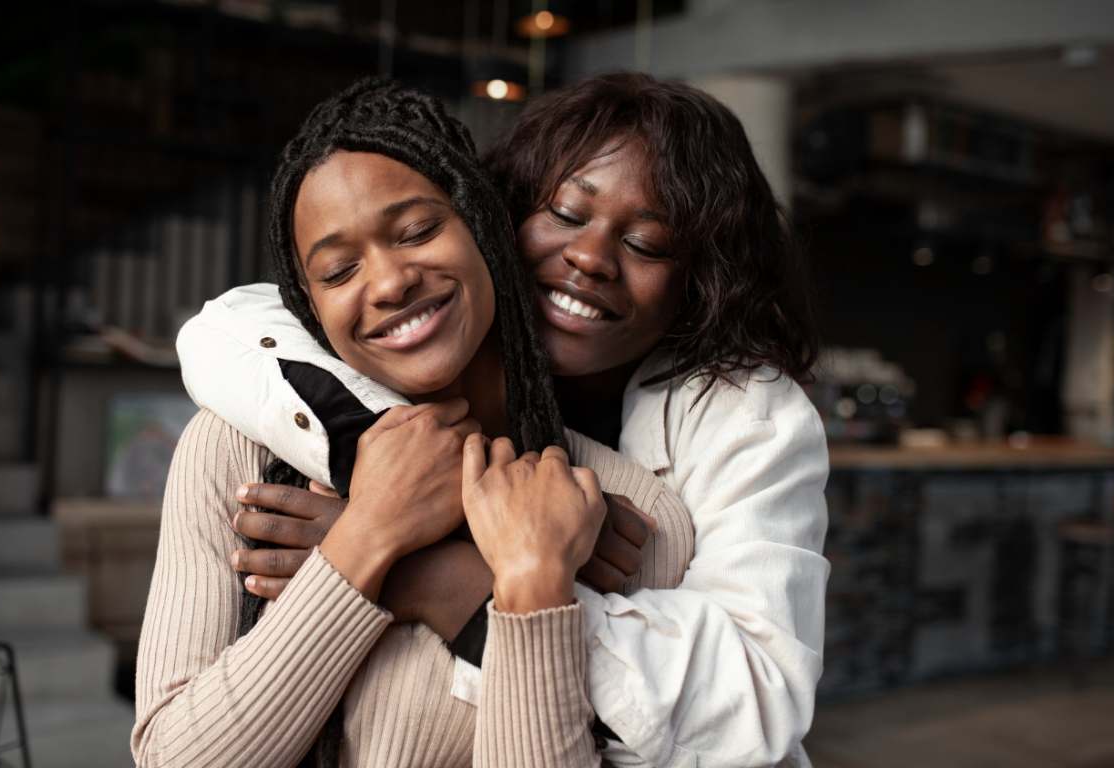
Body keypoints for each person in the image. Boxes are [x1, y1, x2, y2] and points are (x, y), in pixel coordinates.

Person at [178, 73, 830, 767]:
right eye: (567, 216)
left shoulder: (700, 466)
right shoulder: (402, 345)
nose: (589, 258)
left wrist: (436, 572)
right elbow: (226, 333)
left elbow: (753, 709)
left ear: (701, 281)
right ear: (499, 214)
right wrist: (413, 494)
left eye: (645, 243)